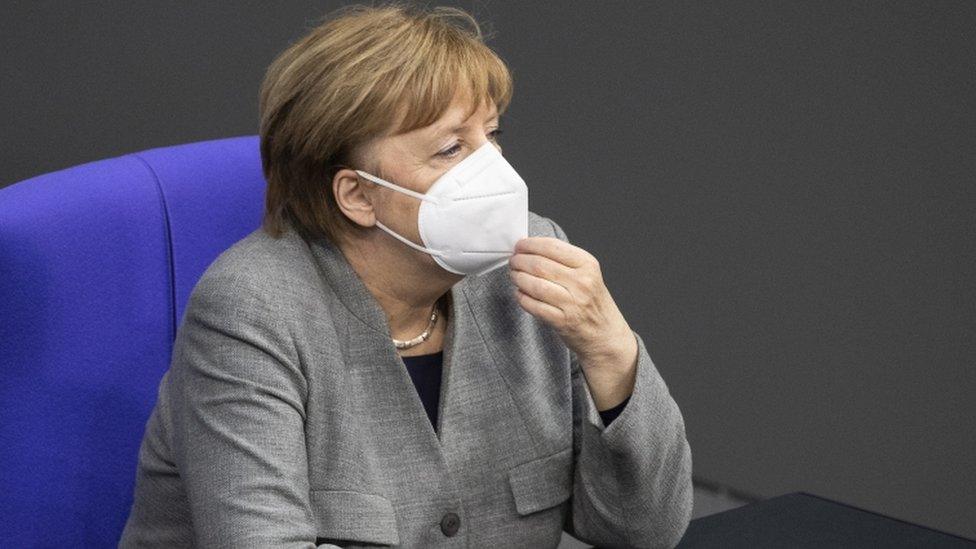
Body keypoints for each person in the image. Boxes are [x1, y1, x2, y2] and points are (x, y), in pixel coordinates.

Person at [119, 2, 693, 547]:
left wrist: (610, 349)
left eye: (490, 137)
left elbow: (646, 530)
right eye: (450, 149)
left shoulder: (532, 267)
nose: (492, 172)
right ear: (358, 195)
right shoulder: (250, 313)